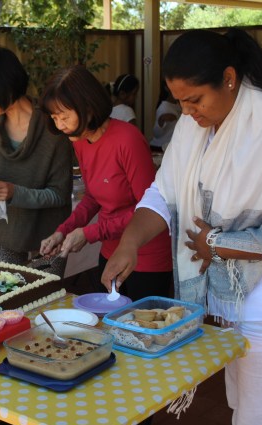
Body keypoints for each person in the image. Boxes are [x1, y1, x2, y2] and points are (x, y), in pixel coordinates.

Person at [101, 29, 262, 425]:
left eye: (195, 99)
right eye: (180, 101)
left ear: (229, 79)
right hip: (235, 295)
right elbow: (164, 191)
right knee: (245, 408)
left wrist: (217, 244)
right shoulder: (193, 124)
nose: (187, 111)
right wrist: (129, 242)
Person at [39, 65, 172, 303]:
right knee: (109, 328)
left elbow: (150, 208)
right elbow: (93, 196)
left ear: (88, 108)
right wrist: (64, 230)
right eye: (54, 117)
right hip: (110, 252)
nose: (59, 125)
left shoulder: (127, 139)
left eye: (64, 116)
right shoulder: (80, 140)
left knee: (144, 328)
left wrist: (90, 232)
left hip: (147, 257)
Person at [0, 47, 73, 276]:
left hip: (49, 238)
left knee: (43, 300)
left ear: (2, 86)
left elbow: (59, 195)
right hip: (5, 233)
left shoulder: (53, 127)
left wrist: (14, 192)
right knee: (6, 303)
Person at [149, 81, 181, 151]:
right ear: (167, 88)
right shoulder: (164, 107)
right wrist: (161, 120)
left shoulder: (178, 105)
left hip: (170, 146)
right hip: (160, 147)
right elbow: (157, 134)